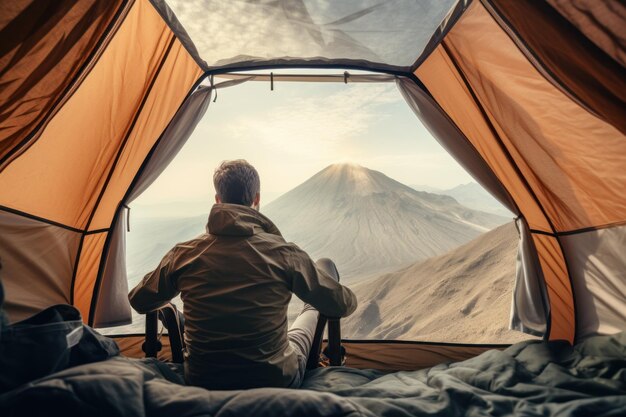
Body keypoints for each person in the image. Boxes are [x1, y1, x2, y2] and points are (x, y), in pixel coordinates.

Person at [128, 159, 357, 390]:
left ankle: (186, 323)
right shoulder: (284, 252)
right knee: (320, 279)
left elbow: (139, 299)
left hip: (202, 378)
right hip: (274, 377)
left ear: (218, 200)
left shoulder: (184, 253)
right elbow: (341, 304)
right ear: (256, 199)